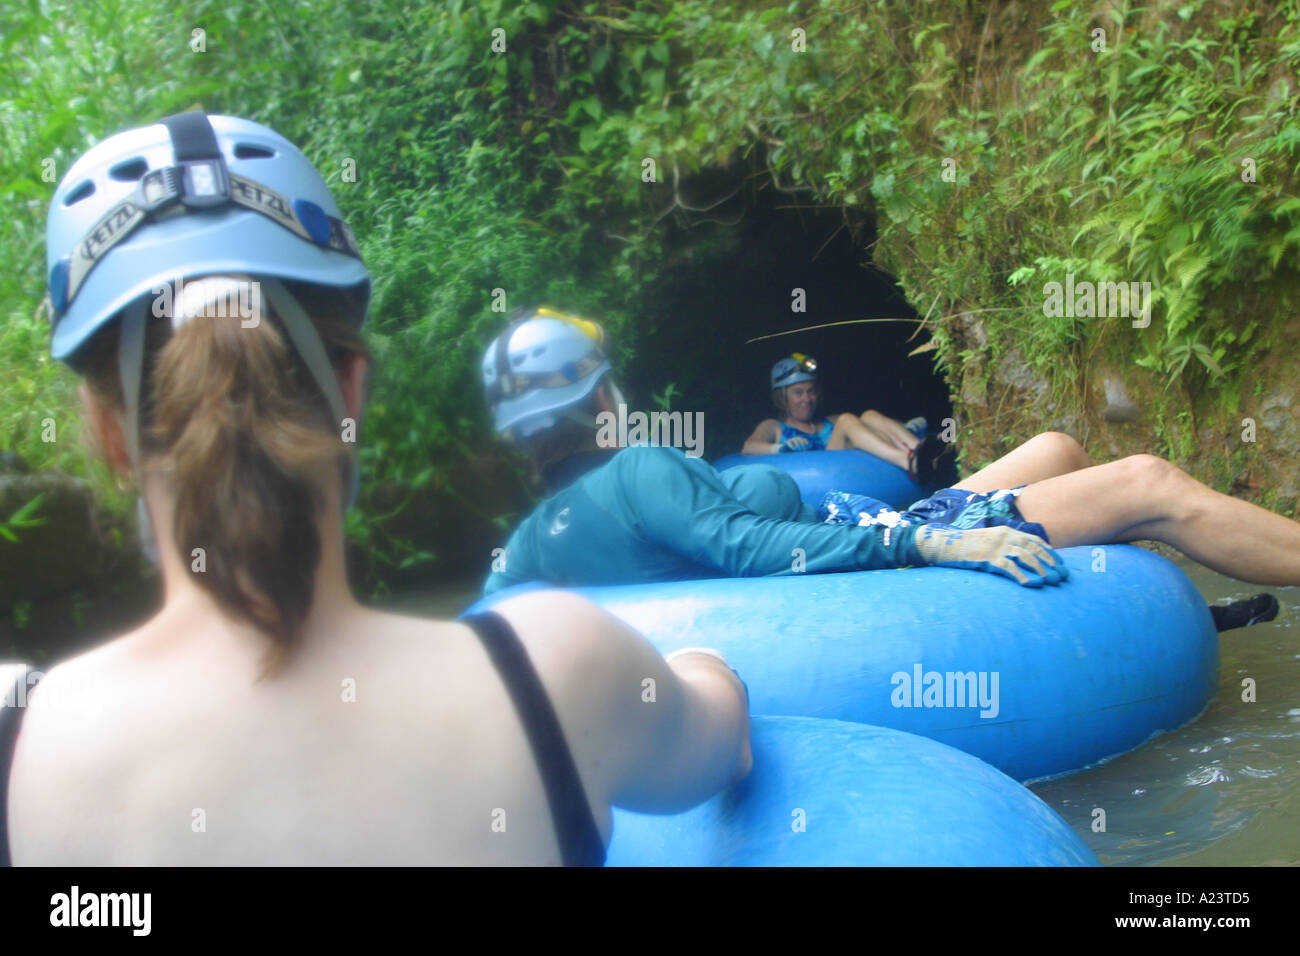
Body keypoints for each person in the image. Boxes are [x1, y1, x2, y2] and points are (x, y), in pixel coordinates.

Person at [0, 111, 750, 867]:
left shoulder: (17, 736)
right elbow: (723, 743)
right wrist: (703, 665)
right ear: (350, 393)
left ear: (109, 435)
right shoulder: (558, 669)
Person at [482, 316, 1294, 630]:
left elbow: (479, 626)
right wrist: (932, 547)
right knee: (1147, 480)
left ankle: (1132, 614)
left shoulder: (530, 544)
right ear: (605, 403)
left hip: (866, 528)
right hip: (892, 549)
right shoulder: (640, 472)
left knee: (1055, 446)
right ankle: (1158, 603)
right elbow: (754, 548)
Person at [742, 353, 951, 482]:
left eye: (811, 391)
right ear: (782, 396)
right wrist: (779, 449)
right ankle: (908, 461)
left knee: (868, 416)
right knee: (847, 420)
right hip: (826, 476)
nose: (807, 398)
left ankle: (927, 455)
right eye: (798, 392)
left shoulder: (829, 421)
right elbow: (748, 447)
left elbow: (874, 432)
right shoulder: (774, 427)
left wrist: (906, 428)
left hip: (847, 465)